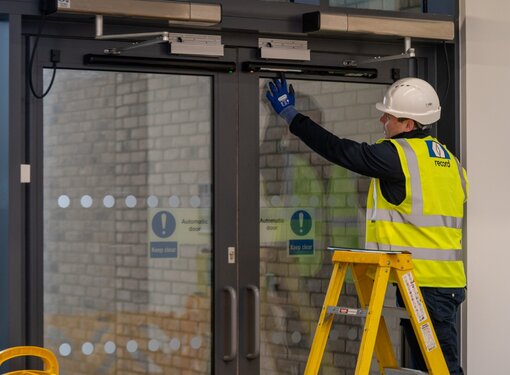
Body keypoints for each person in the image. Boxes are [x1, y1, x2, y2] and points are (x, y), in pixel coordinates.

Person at [265, 75, 467, 375]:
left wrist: (291, 116)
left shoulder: (397, 156)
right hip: (436, 280)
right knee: (430, 368)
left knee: (442, 370)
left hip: (425, 283)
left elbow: (338, 149)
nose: (382, 120)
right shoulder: (449, 161)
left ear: (409, 124)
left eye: (389, 115)